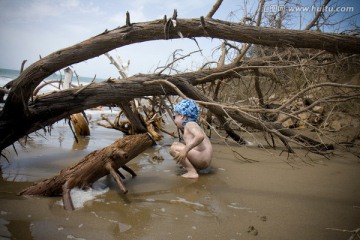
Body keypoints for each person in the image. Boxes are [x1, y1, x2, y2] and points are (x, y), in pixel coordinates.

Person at [169, 99, 213, 179]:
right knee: (176, 144)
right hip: (203, 158)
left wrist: (185, 150)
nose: (174, 119)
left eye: (174, 116)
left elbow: (200, 137)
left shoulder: (190, 124)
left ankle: (192, 172)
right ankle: (194, 167)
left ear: (182, 116)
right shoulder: (193, 125)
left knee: (173, 148)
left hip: (202, 158)